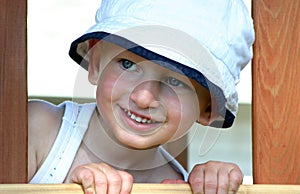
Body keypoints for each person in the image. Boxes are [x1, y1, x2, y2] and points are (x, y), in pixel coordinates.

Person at [28, 0, 255, 193]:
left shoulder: (177, 186)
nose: (143, 98)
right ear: (96, 63)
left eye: (175, 82)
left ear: (209, 109)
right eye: (127, 64)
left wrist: (213, 184)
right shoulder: (38, 130)